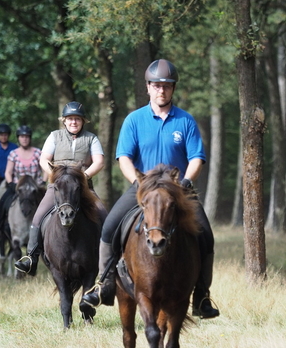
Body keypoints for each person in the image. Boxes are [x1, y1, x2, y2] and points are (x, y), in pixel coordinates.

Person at [81, 59, 220, 319]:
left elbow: (197, 158)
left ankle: (201, 295)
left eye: (167, 86)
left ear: (173, 89)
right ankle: (104, 284)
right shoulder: (133, 120)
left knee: (205, 235)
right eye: (156, 85)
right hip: (143, 188)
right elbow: (124, 158)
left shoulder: (186, 121)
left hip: (178, 191)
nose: (161, 90)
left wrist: (186, 182)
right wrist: (138, 181)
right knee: (110, 226)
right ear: (148, 87)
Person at [14, 102, 107, 276]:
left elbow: (99, 162)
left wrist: (83, 177)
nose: (74, 122)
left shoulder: (91, 138)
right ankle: (30, 258)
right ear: (64, 121)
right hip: (57, 187)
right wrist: (55, 178)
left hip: (83, 187)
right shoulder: (54, 136)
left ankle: (108, 260)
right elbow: (44, 160)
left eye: (77, 119)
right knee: (38, 217)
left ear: (83, 121)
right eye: (70, 119)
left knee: (104, 215)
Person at [0, 125, 45, 240]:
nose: (24, 139)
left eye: (26, 136)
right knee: (3, 201)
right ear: (18, 138)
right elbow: (8, 172)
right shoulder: (13, 153)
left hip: (35, 188)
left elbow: (45, 170)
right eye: (22, 136)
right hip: (18, 186)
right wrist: (11, 183)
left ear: (30, 138)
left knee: (49, 204)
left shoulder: (38, 152)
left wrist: (43, 181)